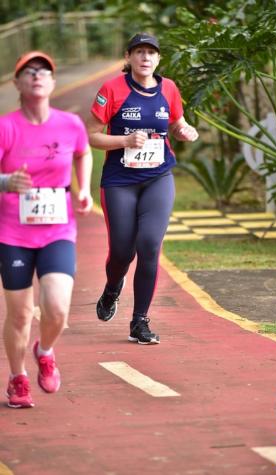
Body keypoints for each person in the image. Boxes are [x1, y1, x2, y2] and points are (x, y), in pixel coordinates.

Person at [87, 33, 198, 345]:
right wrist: (124, 140)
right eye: (139, 52)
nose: (145, 58)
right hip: (120, 181)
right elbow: (92, 135)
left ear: (158, 59)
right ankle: (112, 288)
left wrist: (184, 130)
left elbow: (176, 123)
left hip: (158, 178)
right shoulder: (112, 89)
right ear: (129, 57)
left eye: (151, 53)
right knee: (122, 252)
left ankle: (140, 322)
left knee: (149, 245)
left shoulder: (170, 89)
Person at [0, 51, 93, 408]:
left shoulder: (70, 124)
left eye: (44, 72)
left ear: (53, 83)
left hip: (57, 228)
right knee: (21, 313)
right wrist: (7, 181)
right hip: (12, 233)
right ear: (18, 83)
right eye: (29, 71)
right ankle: (17, 377)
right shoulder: (6, 126)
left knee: (56, 308)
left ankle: (46, 349)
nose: (37, 76)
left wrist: (82, 189)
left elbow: (83, 153)